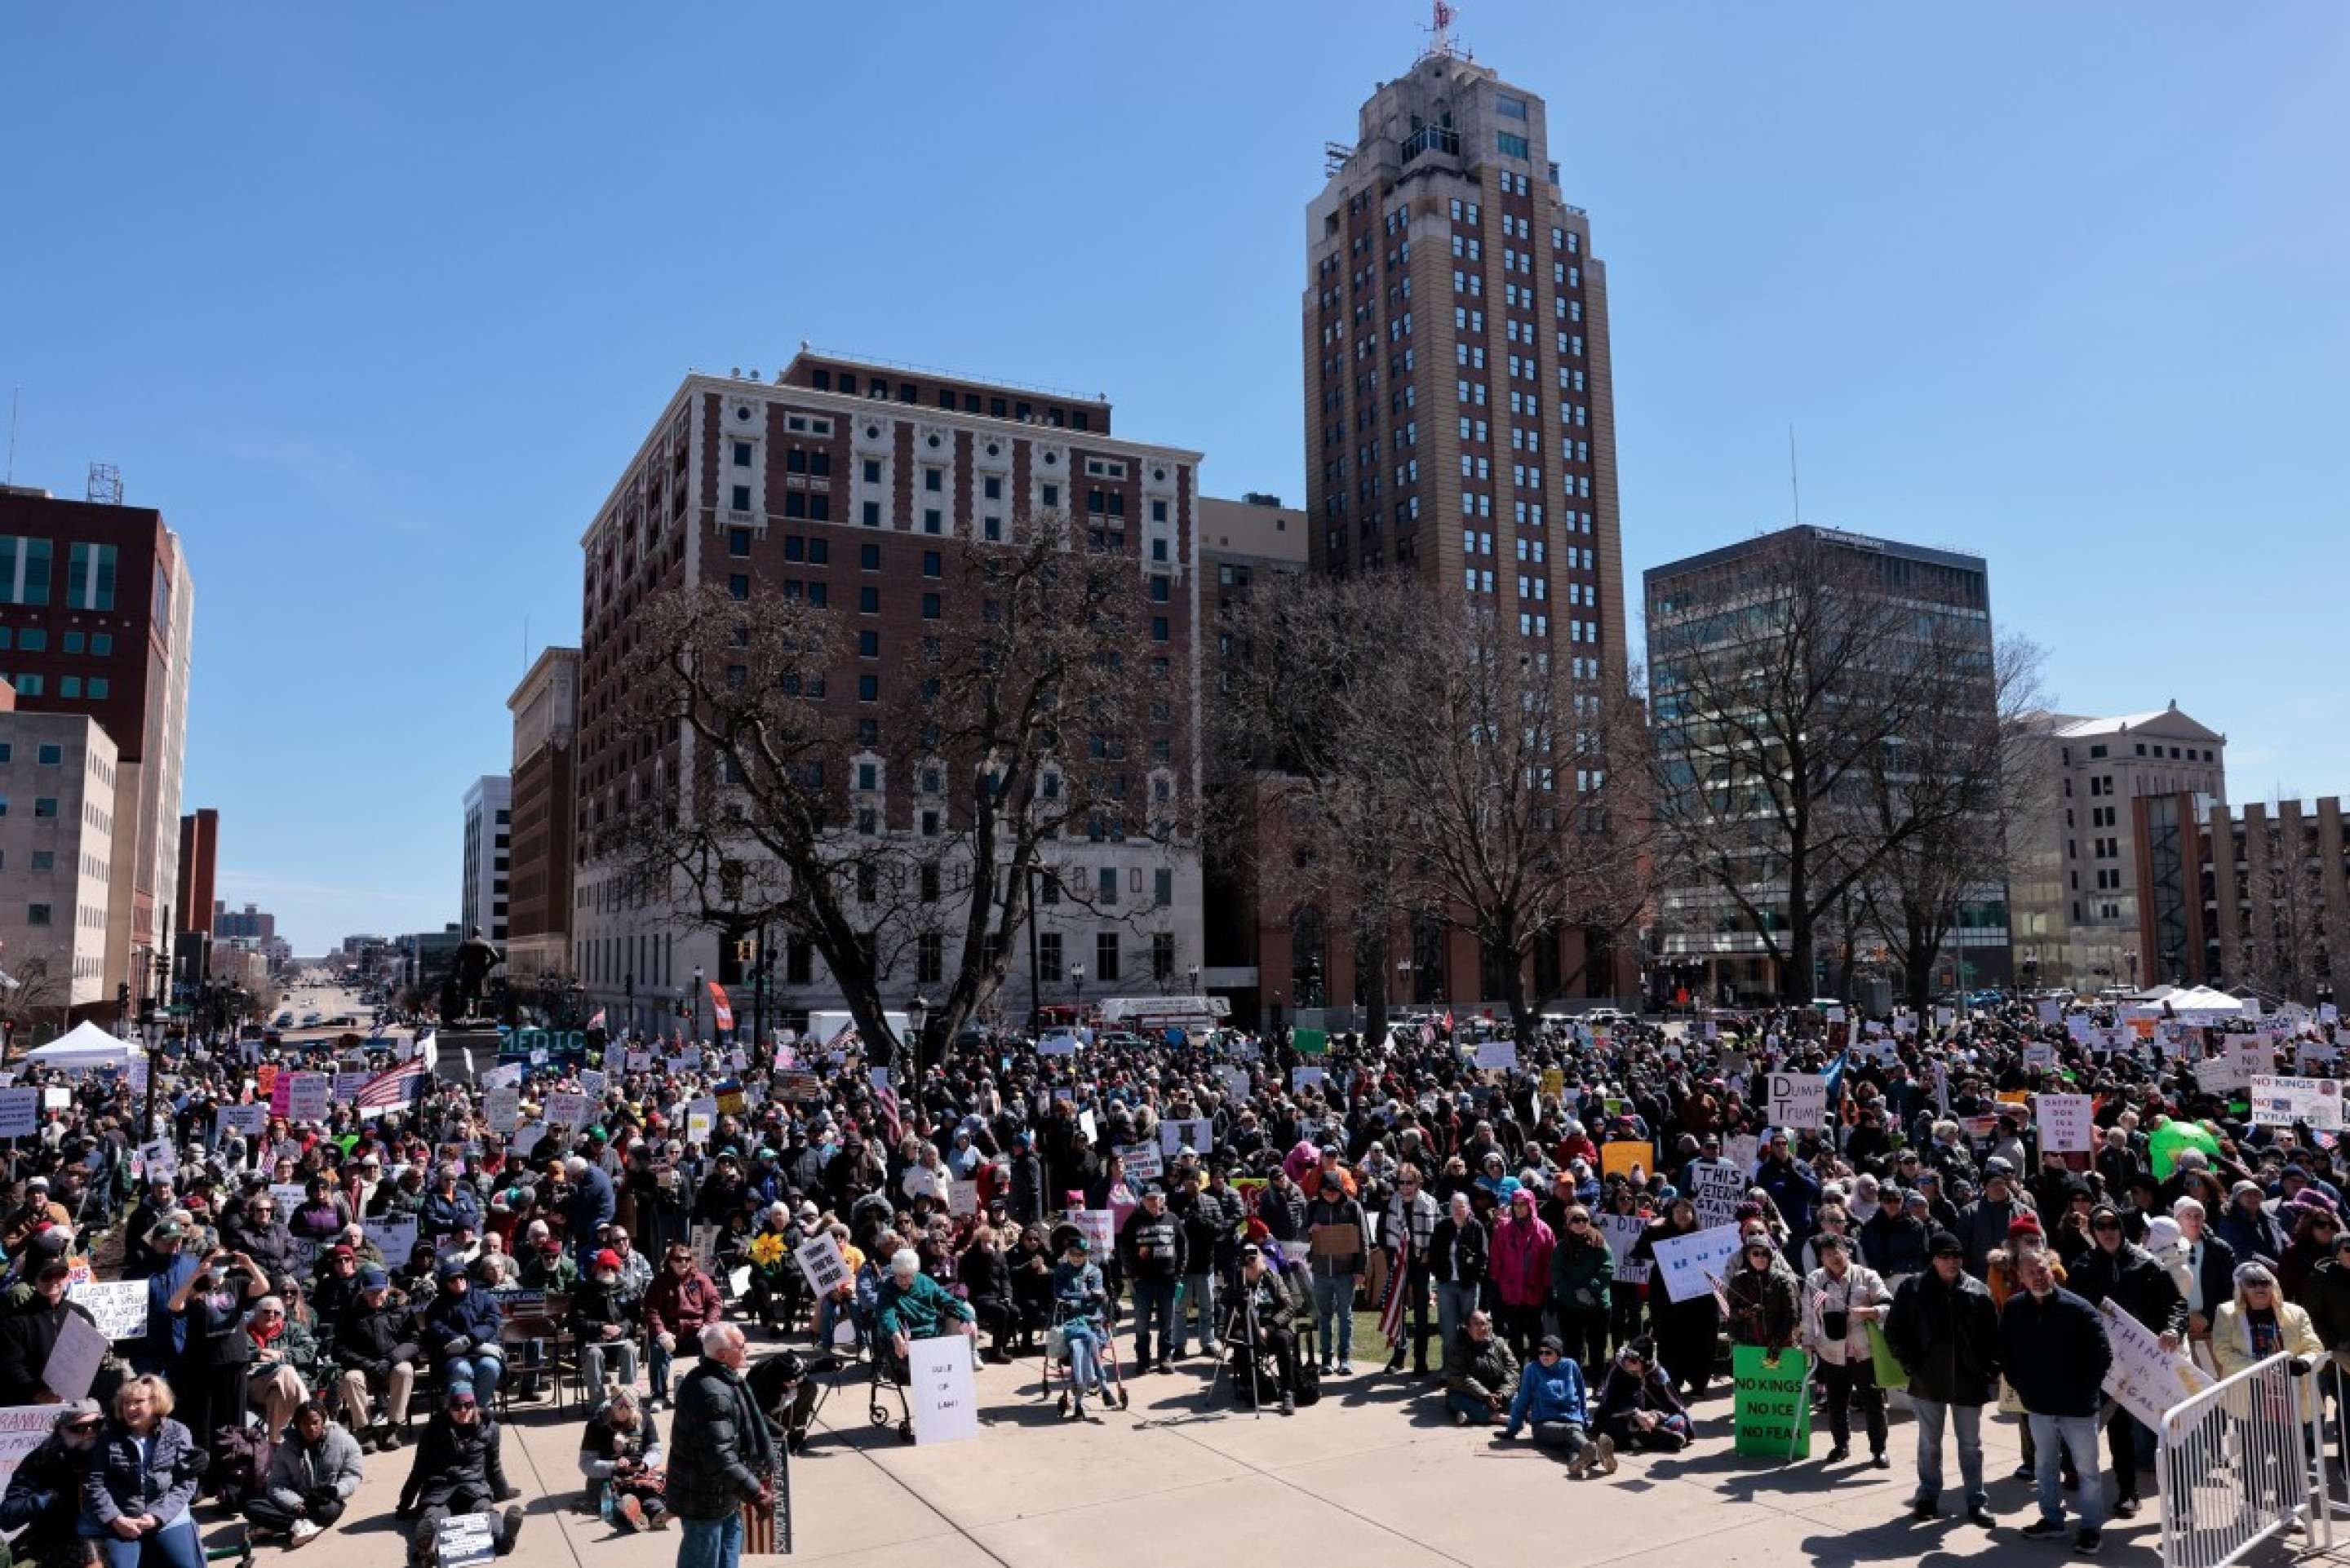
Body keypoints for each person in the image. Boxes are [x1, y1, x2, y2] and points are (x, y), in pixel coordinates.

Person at [2066, 1201, 2184, 1517]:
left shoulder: (2146, 1264)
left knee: (2167, 1433)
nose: (2108, 1232)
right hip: (2104, 1365)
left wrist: (2172, 1329)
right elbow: (2071, 1314)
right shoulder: (2081, 1268)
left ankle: (2181, 1505)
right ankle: (2125, 1492)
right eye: (2100, 1227)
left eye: (2113, 1225)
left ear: (2122, 1227)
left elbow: (2177, 1305)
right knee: (2114, 1431)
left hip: (2148, 1362)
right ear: (2092, 1231)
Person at [1997, 1252, 2111, 1554]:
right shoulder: (2014, 1308)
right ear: (2020, 1277)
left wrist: (2084, 1391)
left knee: (2086, 1470)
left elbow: (2102, 1357)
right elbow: (2007, 1353)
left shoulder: (2079, 1309)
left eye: (2042, 1269)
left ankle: (2090, 1528)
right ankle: (2052, 1520)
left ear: (2052, 1270)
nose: (2037, 1275)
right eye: (2030, 1271)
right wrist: (2025, 1388)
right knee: (2045, 1466)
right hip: (2039, 1407)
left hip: (2078, 1408)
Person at [1884, 1231, 1999, 1526]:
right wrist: (1912, 1365)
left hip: (1969, 1382)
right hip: (1927, 1381)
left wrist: (1990, 1371)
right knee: (1929, 1444)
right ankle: (1927, 1498)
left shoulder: (1978, 1291)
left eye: (1957, 1256)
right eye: (1945, 1256)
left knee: (1971, 1445)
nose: (1952, 1262)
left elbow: (1993, 1338)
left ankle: (1976, 1501)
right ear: (1933, 1259)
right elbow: (1895, 1331)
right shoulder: (1913, 1288)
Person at [667, 1323, 776, 1568]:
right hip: (703, 1501)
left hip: (723, 1495)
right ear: (722, 1355)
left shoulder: (725, 1380)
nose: (747, 1349)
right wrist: (756, 1492)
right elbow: (720, 1456)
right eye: (741, 1346)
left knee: (728, 1557)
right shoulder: (712, 1394)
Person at [79, 1375, 206, 1568]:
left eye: (138, 1402)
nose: (130, 1408)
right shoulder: (109, 1438)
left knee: (185, 1564)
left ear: (156, 1402)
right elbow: (96, 1483)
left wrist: (157, 1516)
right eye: (126, 1403)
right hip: (124, 1517)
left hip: (166, 1514)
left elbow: (186, 1483)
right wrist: (116, 1519)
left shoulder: (178, 1432)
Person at [396, 1388, 524, 1568]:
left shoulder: (490, 1428)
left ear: (475, 1405)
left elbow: (493, 1466)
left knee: (485, 1512)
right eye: (457, 1406)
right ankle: (428, 1551)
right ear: (448, 1407)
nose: (463, 1411)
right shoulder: (433, 1429)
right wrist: (404, 1505)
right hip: (439, 1489)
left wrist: (503, 1492)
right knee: (433, 1518)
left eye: (468, 1405)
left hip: (474, 1488)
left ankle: (504, 1538)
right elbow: (419, 1470)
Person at [1803, 1232, 1892, 1467]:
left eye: (1837, 1253)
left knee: (1873, 1402)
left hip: (1864, 1350)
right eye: (1827, 1254)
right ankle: (1841, 1445)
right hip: (1830, 1350)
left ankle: (1879, 1449)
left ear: (1847, 1253)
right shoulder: (1815, 1280)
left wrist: (1871, 1312)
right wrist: (1807, 1344)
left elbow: (1889, 1305)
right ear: (1821, 1258)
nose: (1833, 1258)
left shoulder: (1867, 1275)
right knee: (1836, 1402)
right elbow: (1808, 1315)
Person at [246, 1397, 365, 1549]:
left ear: (323, 1421)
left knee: (329, 1510)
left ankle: (275, 1525)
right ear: (297, 1425)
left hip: (324, 1502)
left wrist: (336, 1490)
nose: (311, 1428)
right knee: (251, 1506)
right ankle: (301, 1525)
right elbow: (276, 1484)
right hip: (295, 1504)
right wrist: (296, 1504)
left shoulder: (345, 1441)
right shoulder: (286, 1448)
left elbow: (353, 1475)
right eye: (305, 1424)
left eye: (315, 1423)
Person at [0, 1401, 106, 1568]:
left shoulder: (115, 1453)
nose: (90, 1432)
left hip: (110, 1534)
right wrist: (49, 1497)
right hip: (54, 1537)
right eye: (79, 1428)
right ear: (61, 1431)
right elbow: (8, 1515)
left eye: (97, 1425)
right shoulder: (43, 1460)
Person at [1498, 1335, 1613, 1477]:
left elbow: (1582, 1395)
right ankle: (1598, 1454)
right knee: (1571, 1433)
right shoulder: (1532, 1370)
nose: (1543, 1356)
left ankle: (1576, 1463)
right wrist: (1511, 1430)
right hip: (1544, 1425)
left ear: (1558, 1354)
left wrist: (1584, 1420)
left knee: (1571, 1443)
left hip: (1573, 1420)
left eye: (1548, 1352)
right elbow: (1522, 1401)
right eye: (1541, 1352)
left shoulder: (1571, 1366)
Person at [334, 1265, 417, 1452]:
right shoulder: (351, 1311)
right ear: (363, 1291)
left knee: (404, 1370)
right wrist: (366, 1364)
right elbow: (339, 1348)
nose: (376, 1297)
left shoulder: (401, 1308)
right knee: (351, 1378)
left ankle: (392, 1428)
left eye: (380, 1292)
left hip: (392, 1364)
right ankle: (367, 1431)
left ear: (387, 1289)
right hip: (364, 1366)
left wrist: (391, 1359)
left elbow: (414, 1341)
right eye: (371, 1293)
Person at [0, 1251, 101, 1404]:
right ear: (35, 1279)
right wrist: (38, 1393)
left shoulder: (81, 1314)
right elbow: (11, 1364)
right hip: (34, 1405)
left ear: (67, 1277)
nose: (54, 1281)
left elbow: (92, 1359)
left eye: (60, 1274)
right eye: (47, 1276)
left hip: (76, 1400)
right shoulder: (16, 1321)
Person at [645, 1242, 724, 1413]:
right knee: (658, 1348)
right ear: (670, 1262)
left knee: (715, 1343)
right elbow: (651, 1310)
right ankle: (659, 1395)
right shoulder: (659, 1282)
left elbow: (715, 1303)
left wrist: (708, 1327)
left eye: (687, 1259)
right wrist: (661, 1332)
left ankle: (710, 1389)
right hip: (670, 1332)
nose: (683, 1263)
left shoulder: (701, 1279)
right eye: (678, 1259)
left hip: (696, 1331)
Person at [579, 1386, 669, 1532]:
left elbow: (655, 1450)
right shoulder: (596, 1425)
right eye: (620, 1411)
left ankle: (656, 1513)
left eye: (629, 1411)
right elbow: (585, 1463)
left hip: (639, 1474)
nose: (624, 1415)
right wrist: (614, 1465)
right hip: (610, 1477)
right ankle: (630, 1514)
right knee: (614, 1499)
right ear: (612, 1407)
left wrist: (645, 1464)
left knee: (650, 1492)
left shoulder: (644, 1416)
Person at [876, 1247, 978, 1375]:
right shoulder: (887, 1289)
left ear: (915, 1273)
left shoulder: (925, 1282)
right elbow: (886, 1314)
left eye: (907, 1276)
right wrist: (895, 1335)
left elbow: (947, 1300)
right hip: (908, 1340)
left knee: (968, 1311)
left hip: (934, 1333)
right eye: (898, 1276)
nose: (902, 1281)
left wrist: (967, 1317)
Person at [1304, 1172, 1367, 1376]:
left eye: (1333, 1193)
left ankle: (1345, 1358)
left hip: (1345, 1272)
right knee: (1324, 1316)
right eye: (1325, 1193)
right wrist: (1309, 1230)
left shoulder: (1352, 1207)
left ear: (1340, 1190)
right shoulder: (1313, 1206)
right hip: (1321, 1271)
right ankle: (1326, 1360)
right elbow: (1300, 1233)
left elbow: (1363, 1240)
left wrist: (1360, 1270)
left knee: (1345, 1315)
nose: (1330, 1197)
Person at [1118, 1185, 1185, 1373]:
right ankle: (1143, 1360)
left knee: (1167, 1323)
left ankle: (1165, 1357)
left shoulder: (1172, 1219)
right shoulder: (1133, 1221)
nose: (1154, 1202)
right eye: (1149, 1199)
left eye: (1157, 1198)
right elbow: (1124, 1249)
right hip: (1143, 1283)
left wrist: (1179, 1273)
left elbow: (1182, 1246)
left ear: (1163, 1199)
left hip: (1168, 1281)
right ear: (1143, 1200)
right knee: (1141, 1323)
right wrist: (1132, 1274)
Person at [1230, 1242, 1302, 1415]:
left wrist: (1269, 1327)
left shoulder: (1273, 1278)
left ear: (1261, 1259)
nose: (1251, 1264)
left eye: (1254, 1259)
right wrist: (1236, 1295)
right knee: (1240, 1338)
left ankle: (1288, 1392)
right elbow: (1229, 1308)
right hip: (1249, 1327)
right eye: (1247, 1261)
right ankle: (1250, 1385)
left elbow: (1289, 1308)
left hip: (1275, 1326)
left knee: (1282, 1339)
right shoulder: (1239, 1281)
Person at [1381, 1164, 1440, 1375]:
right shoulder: (1392, 1203)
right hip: (1399, 1262)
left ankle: (1421, 1359)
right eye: (1402, 1183)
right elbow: (1384, 1235)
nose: (1405, 1187)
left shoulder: (1430, 1202)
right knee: (1398, 1310)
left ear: (1418, 1183)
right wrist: (1394, 1257)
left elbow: (1437, 1234)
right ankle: (1398, 1356)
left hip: (1421, 1263)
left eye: (1410, 1182)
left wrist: (1428, 1253)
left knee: (1422, 1313)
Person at [1050, 1234, 1115, 1420]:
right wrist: (1087, 1295)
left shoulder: (1095, 1272)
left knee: (1083, 1342)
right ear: (1068, 1253)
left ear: (1087, 1255)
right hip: (1069, 1323)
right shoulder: (1061, 1271)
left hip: (1093, 1323)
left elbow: (1094, 1304)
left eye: (1081, 1254)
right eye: (1073, 1254)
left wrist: (1074, 1300)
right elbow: (1060, 1294)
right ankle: (1102, 1385)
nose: (1077, 1258)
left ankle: (1079, 1399)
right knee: (1086, 1340)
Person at [422, 1258, 505, 1401]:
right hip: (454, 1353)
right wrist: (461, 1341)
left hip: (483, 1349)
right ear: (445, 1283)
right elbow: (437, 1329)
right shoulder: (436, 1306)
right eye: (452, 1279)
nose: (458, 1281)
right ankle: (459, 1411)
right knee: (462, 1370)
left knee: (490, 1367)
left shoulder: (484, 1298)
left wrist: (470, 1339)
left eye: (461, 1277)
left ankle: (479, 1411)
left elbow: (493, 1321)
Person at [1590, 1340, 1692, 1454]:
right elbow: (1607, 1407)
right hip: (1626, 1418)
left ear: (1645, 1363)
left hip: (1655, 1420)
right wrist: (1634, 1414)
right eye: (1626, 1357)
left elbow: (1673, 1405)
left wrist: (1655, 1416)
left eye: (1633, 1360)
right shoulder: (1617, 1372)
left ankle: (1635, 1441)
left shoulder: (1657, 1373)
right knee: (1610, 1426)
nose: (1627, 1362)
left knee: (1679, 1421)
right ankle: (1648, 1439)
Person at [1550, 1203, 1616, 1375]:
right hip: (1569, 1304)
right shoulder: (1560, 1248)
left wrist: (1590, 1289)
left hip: (1597, 1303)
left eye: (1584, 1219)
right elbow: (1557, 1276)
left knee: (1598, 1346)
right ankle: (1574, 1381)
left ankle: (1598, 1382)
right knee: (1573, 1348)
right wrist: (1577, 1291)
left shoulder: (1600, 1243)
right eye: (1575, 1220)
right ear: (1568, 1223)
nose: (1580, 1223)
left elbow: (1607, 1269)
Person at [572, 1248, 642, 1395]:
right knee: (594, 1355)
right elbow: (577, 1322)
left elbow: (633, 1318)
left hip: (619, 1340)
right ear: (597, 1268)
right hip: (593, 1342)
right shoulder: (584, 1292)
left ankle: (627, 1400)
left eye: (613, 1268)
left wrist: (620, 1329)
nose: (609, 1270)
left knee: (630, 1349)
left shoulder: (625, 1289)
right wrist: (602, 1328)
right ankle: (599, 1406)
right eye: (605, 1267)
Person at [1430, 1190, 1489, 1360]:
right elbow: (1433, 1254)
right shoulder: (1442, 1227)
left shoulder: (1476, 1227)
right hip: (1446, 1285)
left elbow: (1483, 1256)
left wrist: (1475, 1275)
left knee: (1472, 1328)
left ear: (1468, 1208)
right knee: (1448, 1330)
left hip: (1468, 1286)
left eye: (1461, 1206)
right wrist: (1439, 1274)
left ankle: (1471, 1367)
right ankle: (1448, 1369)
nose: (1457, 1210)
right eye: (1454, 1207)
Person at [1443, 1309, 1519, 1427]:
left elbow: (1513, 1369)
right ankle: (1496, 1417)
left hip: (1497, 1393)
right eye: (1476, 1325)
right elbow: (1459, 1377)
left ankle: (1471, 1416)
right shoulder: (1458, 1347)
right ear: (1468, 1329)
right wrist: (1486, 1395)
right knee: (1457, 1400)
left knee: (1515, 1397)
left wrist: (1502, 1393)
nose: (1482, 1328)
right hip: (1470, 1394)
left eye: (1483, 1324)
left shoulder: (1499, 1342)